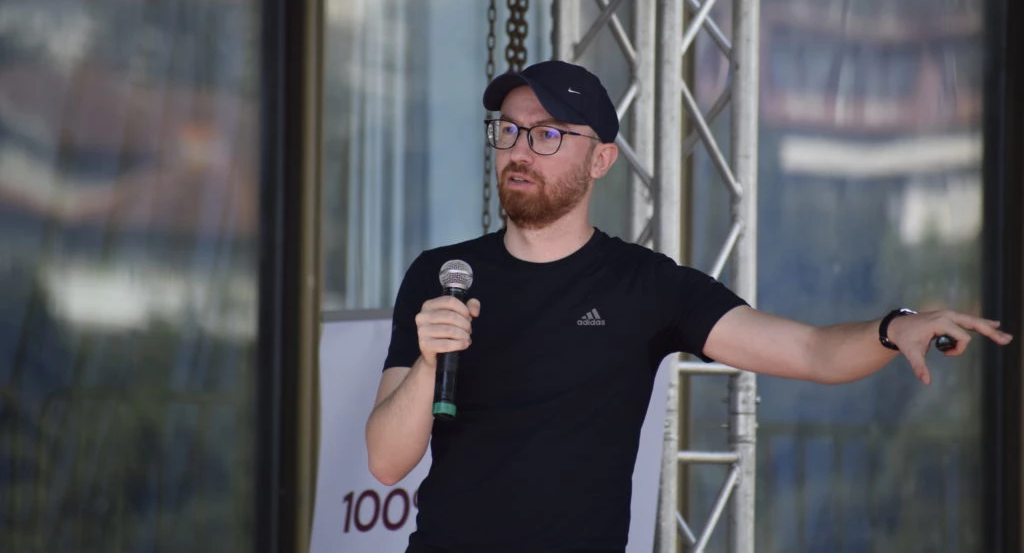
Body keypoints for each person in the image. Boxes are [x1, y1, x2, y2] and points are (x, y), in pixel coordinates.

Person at [365, 60, 1012, 553]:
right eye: (509, 129)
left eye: (548, 133)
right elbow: (386, 461)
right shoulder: (441, 276)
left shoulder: (644, 286)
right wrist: (429, 363)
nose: (520, 149)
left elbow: (811, 351)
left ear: (602, 159)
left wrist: (895, 326)